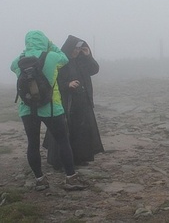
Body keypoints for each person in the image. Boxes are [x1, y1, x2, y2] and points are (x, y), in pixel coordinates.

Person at [10, 30, 88, 191]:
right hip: (51, 107)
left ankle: (40, 180)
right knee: (62, 141)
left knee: (32, 143)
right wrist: (51, 45)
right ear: (44, 41)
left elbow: (12, 67)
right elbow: (64, 58)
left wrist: (27, 51)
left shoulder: (19, 61)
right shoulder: (51, 57)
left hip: (27, 109)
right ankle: (70, 178)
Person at [44, 35, 104, 168]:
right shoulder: (61, 61)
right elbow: (54, 81)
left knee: (81, 130)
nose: (76, 52)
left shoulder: (82, 60)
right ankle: (60, 161)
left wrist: (88, 55)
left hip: (82, 101)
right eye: (75, 49)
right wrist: (67, 84)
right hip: (66, 101)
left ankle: (80, 158)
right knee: (65, 131)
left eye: (79, 49)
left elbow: (94, 70)